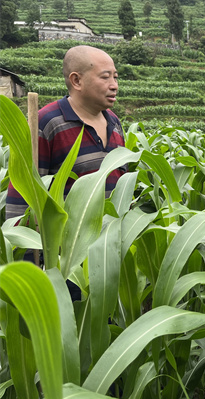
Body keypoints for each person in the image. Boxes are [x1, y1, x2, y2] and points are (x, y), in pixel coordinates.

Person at [6, 45, 125, 298]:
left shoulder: (114, 123)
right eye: (105, 77)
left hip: (109, 257)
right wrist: (27, 265)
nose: (114, 84)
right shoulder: (47, 123)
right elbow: (22, 198)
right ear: (76, 80)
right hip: (64, 263)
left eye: (116, 76)